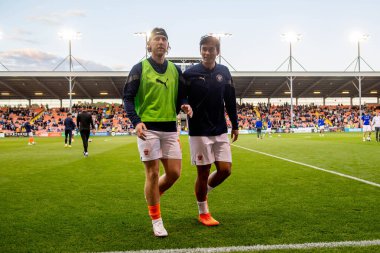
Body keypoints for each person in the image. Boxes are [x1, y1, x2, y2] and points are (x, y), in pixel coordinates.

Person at [123, 27, 192, 237]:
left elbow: (182, 95)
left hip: (170, 128)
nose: (160, 42)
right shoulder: (139, 68)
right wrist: (136, 121)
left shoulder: (175, 70)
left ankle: (153, 194)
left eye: (164, 39)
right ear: (149, 45)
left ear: (168, 45)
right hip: (148, 129)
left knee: (174, 174)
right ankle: (157, 220)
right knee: (152, 173)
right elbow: (127, 98)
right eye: (156, 39)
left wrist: (185, 105)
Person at [183, 34, 238, 227]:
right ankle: (203, 211)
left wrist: (236, 124)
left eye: (211, 49)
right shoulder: (189, 74)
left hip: (220, 128)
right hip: (198, 130)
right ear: (200, 50)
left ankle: (202, 191)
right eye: (204, 48)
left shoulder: (224, 72)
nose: (207, 52)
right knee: (203, 172)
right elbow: (181, 96)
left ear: (218, 51)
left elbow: (230, 100)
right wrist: (184, 104)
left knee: (225, 170)